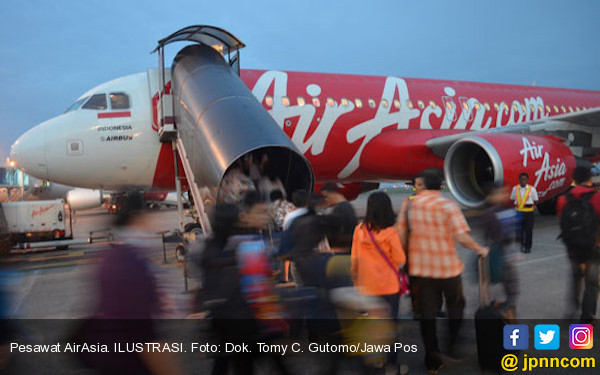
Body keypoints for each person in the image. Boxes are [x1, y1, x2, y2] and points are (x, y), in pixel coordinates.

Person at [397, 168, 488, 374]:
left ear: (424, 184)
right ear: (441, 185)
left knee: (426, 314)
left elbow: (401, 235)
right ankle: (451, 342)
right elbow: (462, 237)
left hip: (421, 271)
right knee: (457, 306)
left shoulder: (409, 206)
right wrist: (480, 248)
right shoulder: (448, 206)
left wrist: (406, 257)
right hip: (448, 269)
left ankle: (432, 359)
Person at [351, 191, 405, 370]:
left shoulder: (359, 230)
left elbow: (354, 260)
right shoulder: (391, 232)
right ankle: (391, 365)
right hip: (388, 287)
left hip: (366, 287)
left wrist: (356, 283)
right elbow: (400, 259)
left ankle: (375, 360)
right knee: (390, 326)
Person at [556, 166, 600, 323]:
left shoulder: (563, 198)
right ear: (590, 178)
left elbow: (562, 222)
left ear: (573, 179)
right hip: (593, 245)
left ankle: (571, 312)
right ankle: (587, 317)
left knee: (575, 278)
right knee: (592, 282)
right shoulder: (596, 197)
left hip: (573, 247)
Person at [481, 183, 520, 314]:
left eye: (505, 192)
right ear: (490, 196)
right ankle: (506, 307)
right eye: (499, 193)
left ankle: (509, 304)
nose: (504, 195)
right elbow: (492, 235)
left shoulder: (505, 210)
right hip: (498, 253)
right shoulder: (490, 213)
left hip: (506, 252)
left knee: (510, 282)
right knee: (504, 281)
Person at [320, 183, 358, 253]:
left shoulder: (341, 209)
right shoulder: (346, 207)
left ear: (332, 194)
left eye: (326, 196)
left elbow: (340, 234)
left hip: (342, 252)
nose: (325, 200)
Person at [510, 172, 539, 253]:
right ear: (519, 180)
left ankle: (527, 247)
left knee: (528, 230)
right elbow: (512, 199)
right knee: (519, 231)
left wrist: (531, 208)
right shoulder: (515, 189)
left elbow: (536, 200)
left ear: (527, 180)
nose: (523, 181)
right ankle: (519, 246)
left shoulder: (532, 189)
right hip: (518, 211)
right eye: (522, 179)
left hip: (528, 212)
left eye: (525, 179)